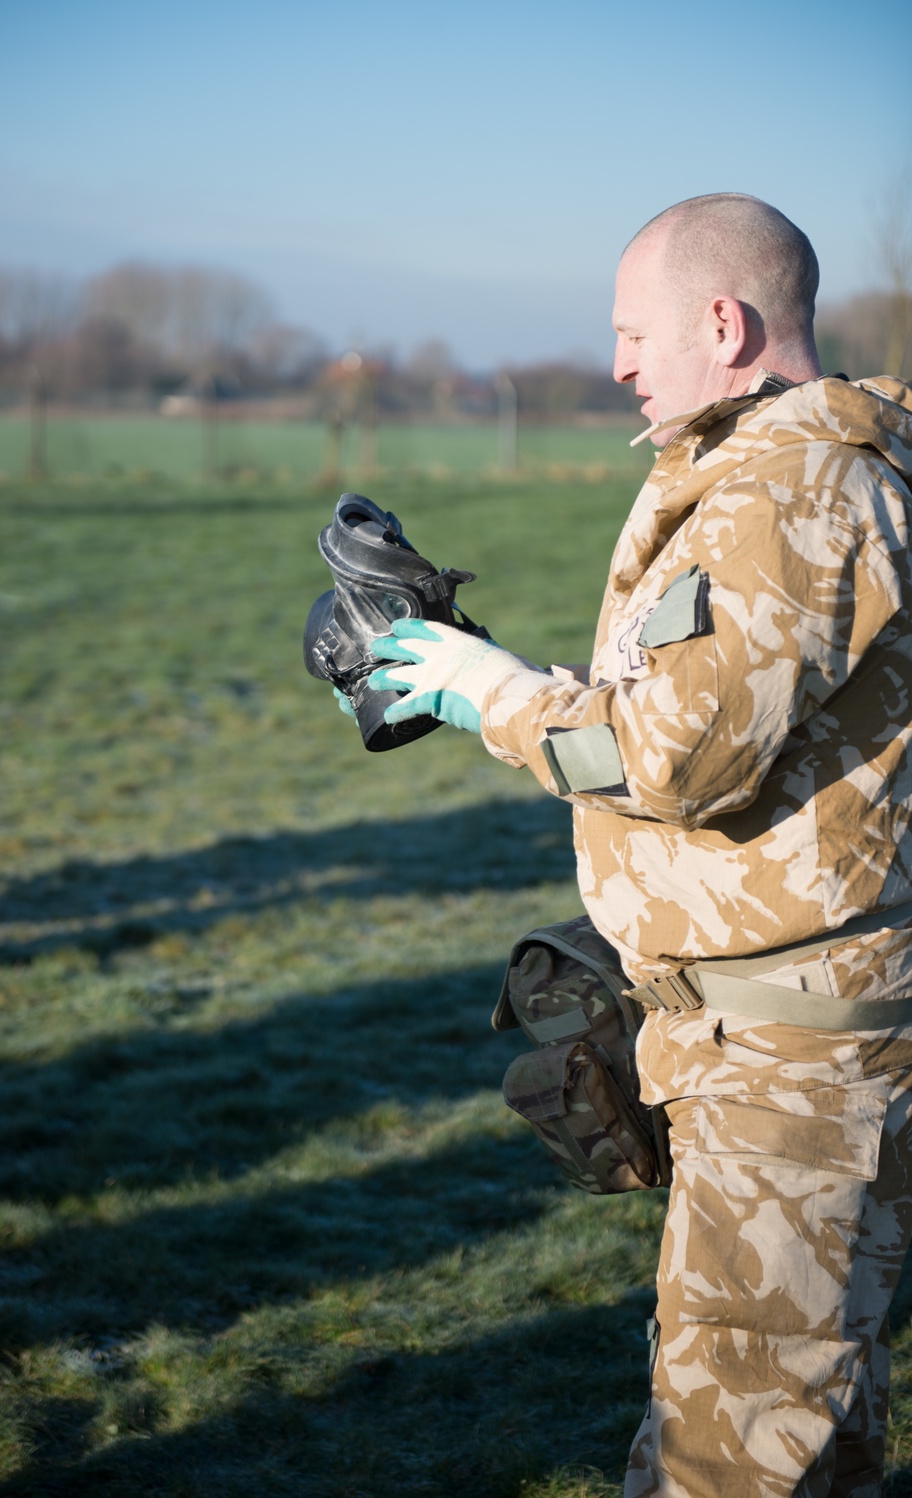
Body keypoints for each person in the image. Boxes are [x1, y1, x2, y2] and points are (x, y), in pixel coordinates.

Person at [367, 194, 912, 1495]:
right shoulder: (761, 472)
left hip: (792, 1069)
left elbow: (674, 753)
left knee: (740, 1454)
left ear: (723, 324)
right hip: (751, 1042)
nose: (618, 362)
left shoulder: (801, 481)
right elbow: (688, 708)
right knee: (796, 1428)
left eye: (632, 331)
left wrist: (481, 688)